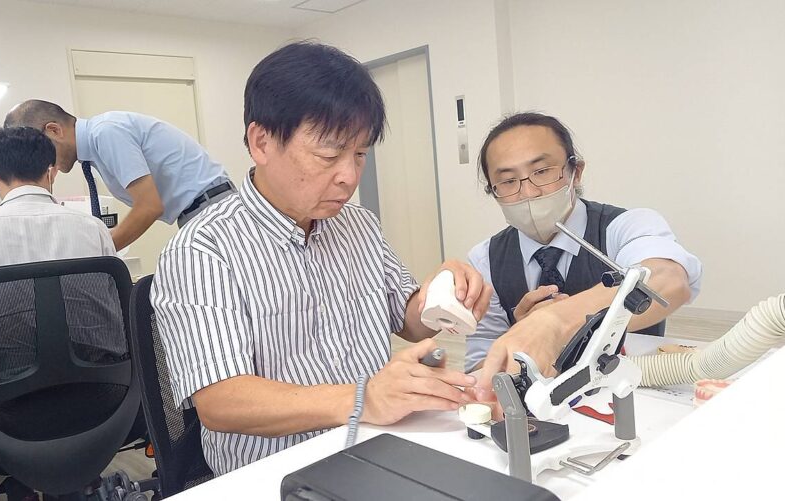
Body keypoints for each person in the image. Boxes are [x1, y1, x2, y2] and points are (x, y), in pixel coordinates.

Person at [151, 41, 494, 475]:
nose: (349, 176)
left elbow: (408, 321)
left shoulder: (358, 224)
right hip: (278, 472)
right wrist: (363, 399)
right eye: (329, 155)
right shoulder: (203, 249)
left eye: (360, 154)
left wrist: (443, 294)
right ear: (261, 142)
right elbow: (221, 401)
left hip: (377, 444)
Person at [0, 126, 142, 501]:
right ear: (52, 171)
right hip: (103, 402)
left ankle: (31, 485)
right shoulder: (92, 229)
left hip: (13, 415)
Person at [466, 112, 702, 392]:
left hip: (633, 394)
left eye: (542, 172)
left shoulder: (626, 226)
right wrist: (521, 335)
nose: (528, 192)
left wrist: (555, 322)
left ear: (575, 172)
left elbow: (669, 280)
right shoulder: (485, 259)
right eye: (507, 181)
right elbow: (479, 368)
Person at [0, 126, 116, 355]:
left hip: (6, 376)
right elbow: (115, 318)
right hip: (98, 372)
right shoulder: (94, 228)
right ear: (53, 173)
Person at [3, 100, 233, 249]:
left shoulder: (105, 133)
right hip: (202, 211)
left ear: (54, 130)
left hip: (213, 211)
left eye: (39, 148)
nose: (42, 158)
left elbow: (149, 206)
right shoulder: (95, 147)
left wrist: (98, 254)